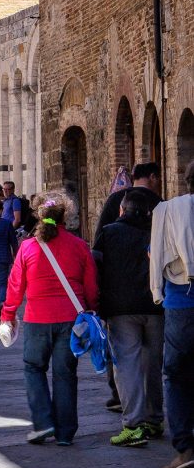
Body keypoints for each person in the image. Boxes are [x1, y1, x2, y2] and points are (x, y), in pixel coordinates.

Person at [0, 191, 99, 446]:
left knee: (34, 368)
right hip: (71, 320)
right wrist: (92, 310)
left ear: (37, 215)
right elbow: (90, 287)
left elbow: (15, 286)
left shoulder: (27, 247)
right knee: (65, 374)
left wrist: (8, 315)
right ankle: (65, 433)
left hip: (37, 319)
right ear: (65, 215)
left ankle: (43, 422)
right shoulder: (79, 245)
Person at [93, 189, 164, 448]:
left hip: (120, 309)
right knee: (153, 366)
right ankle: (155, 419)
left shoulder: (109, 233)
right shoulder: (156, 233)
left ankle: (133, 425)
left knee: (126, 366)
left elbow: (96, 268)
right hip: (156, 307)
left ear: (122, 210)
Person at [150, 159, 194, 468]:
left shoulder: (168, 210)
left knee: (175, 375)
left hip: (181, 303)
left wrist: (157, 290)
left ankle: (184, 449)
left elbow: (156, 258)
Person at [95, 162, 162, 240]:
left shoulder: (115, 198)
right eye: (159, 180)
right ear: (153, 177)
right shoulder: (159, 203)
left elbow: (100, 234)